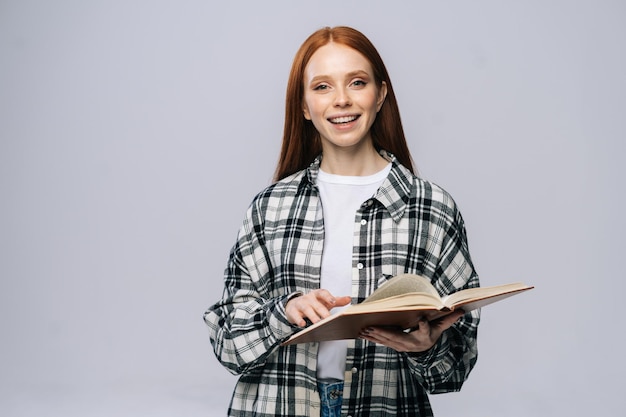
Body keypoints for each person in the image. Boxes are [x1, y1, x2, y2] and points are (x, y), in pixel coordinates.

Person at [203, 26, 480, 417]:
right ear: (303, 106)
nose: (342, 100)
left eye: (357, 82)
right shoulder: (269, 208)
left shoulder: (432, 208)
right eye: (322, 87)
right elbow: (228, 346)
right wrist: (284, 313)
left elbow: (454, 372)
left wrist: (428, 347)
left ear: (380, 93)